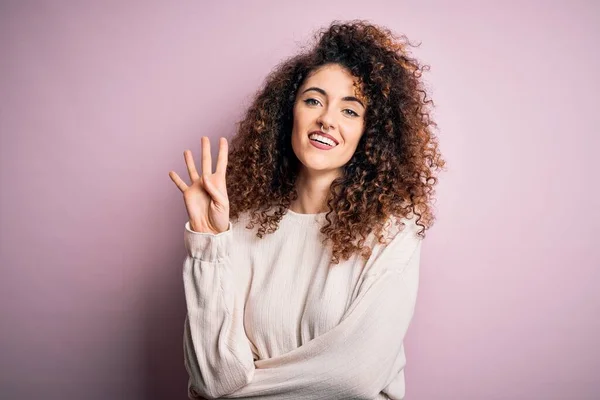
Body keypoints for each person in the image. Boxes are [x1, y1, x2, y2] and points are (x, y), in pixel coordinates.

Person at [169, 20, 445, 400]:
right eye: (313, 100)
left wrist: (232, 392)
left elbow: (353, 377)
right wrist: (208, 240)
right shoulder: (241, 226)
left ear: (372, 133)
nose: (327, 119)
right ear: (289, 113)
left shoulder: (393, 231)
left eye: (350, 111)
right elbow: (212, 376)